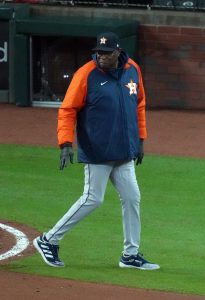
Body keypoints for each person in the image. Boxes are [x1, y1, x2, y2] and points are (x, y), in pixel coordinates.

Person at [33, 32, 160, 270]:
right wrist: (65, 143)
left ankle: (130, 254)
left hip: (124, 150)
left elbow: (139, 104)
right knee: (93, 199)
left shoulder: (133, 69)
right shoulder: (86, 74)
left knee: (132, 198)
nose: (101, 57)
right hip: (98, 150)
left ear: (118, 52)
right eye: (98, 52)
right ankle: (48, 240)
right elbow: (67, 110)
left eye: (106, 53)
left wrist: (141, 138)